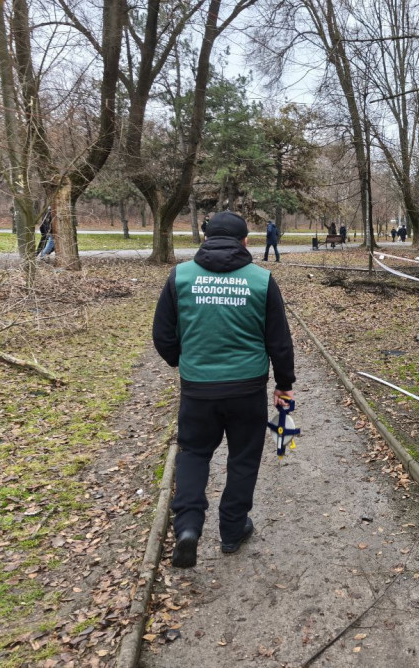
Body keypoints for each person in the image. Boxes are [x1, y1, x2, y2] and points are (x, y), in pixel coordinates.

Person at [152, 211, 296, 568]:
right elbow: (279, 341)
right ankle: (232, 530)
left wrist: (183, 363)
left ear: (205, 238)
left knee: (194, 453)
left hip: (198, 390)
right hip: (246, 391)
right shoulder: (261, 281)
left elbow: (163, 335)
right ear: (246, 241)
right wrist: (284, 385)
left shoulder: (180, 277)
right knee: (243, 458)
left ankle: (187, 527)